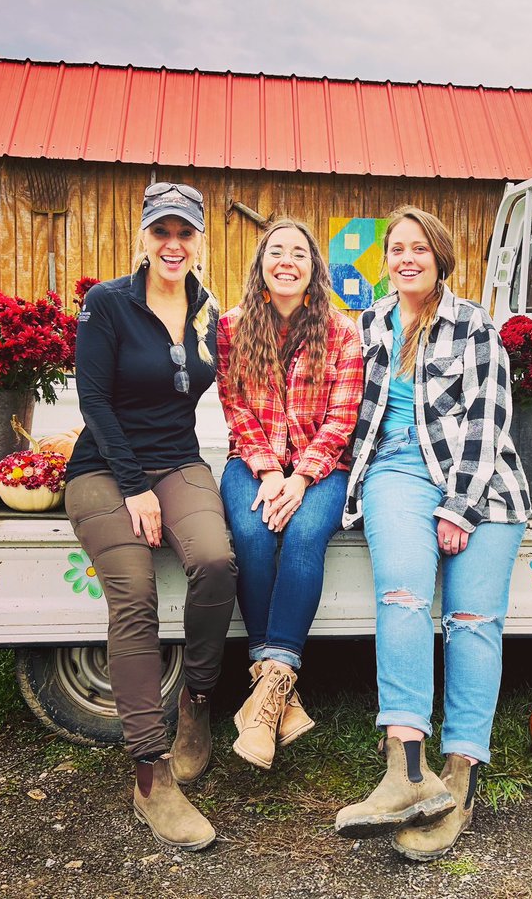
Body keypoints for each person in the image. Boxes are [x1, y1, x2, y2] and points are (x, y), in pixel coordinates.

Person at [334, 206, 530, 860]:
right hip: (394, 474)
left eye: (420, 248)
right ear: (385, 261)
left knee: (474, 619)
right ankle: (404, 770)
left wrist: (458, 509)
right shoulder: (368, 325)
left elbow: (490, 420)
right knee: (404, 598)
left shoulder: (474, 325)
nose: (407, 258)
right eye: (397, 249)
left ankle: (459, 777)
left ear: (440, 258)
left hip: (482, 486)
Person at [65, 182, 236, 851]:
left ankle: (197, 701)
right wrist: (134, 486)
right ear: (142, 237)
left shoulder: (206, 308)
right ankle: (150, 776)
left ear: (199, 242)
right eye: (161, 231)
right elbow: (95, 403)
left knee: (217, 561)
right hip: (104, 469)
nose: (173, 244)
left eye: (185, 233)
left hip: (178, 461)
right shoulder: (107, 303)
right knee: (133, 593)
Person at [216, 219, 363, 769]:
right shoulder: (231, 327)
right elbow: (236, 408)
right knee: (252, 534)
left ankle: (264, 696)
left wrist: (300, 478)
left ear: (313, 269)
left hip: (322, 468)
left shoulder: (342, 333)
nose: (286, 261)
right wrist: (267, 472)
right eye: (275, 251)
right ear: (260, 264)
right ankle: (280, 693)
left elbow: (341, 419)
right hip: (251, 463)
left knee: (302, 534)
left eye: (298, 253)